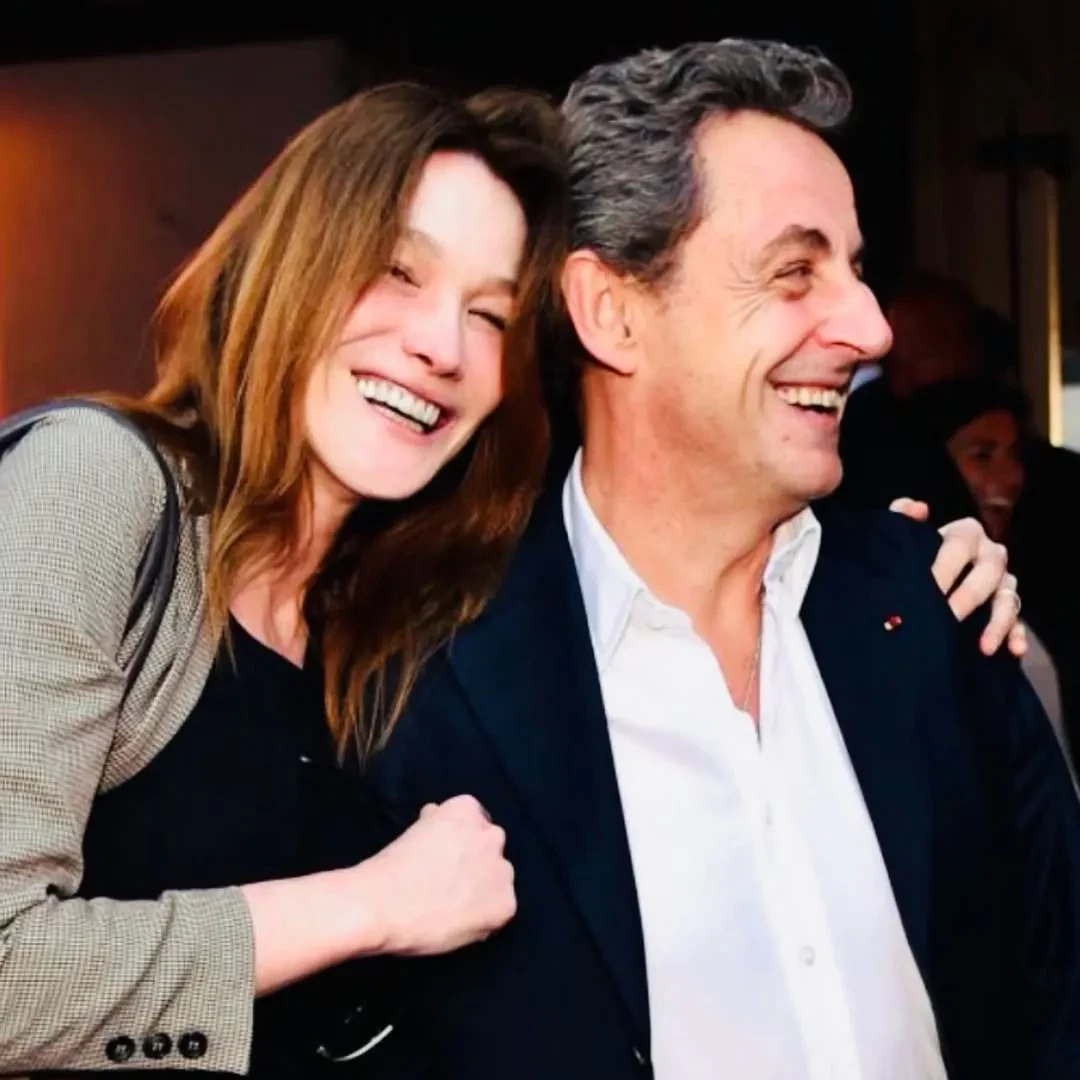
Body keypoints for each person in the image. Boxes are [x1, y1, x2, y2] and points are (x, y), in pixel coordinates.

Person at [370, 41, 1080, 1080]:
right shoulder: (427, 681)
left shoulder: (939, 612)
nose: (869, 327)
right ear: (612, 312)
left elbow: (1057, 998)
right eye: (795, 272)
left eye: (855, 268)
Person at [0, 82, 567, 1076]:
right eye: (397, 271)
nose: (441, 346)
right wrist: (372, 906)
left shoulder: (388, 614)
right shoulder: (95, 485)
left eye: (489, 316)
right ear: (294, 262)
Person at [905, 376, 1080, 773]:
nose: (1011, 476)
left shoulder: (1050, 575)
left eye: (1015, 456)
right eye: (982, 456)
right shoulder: (908, 595)